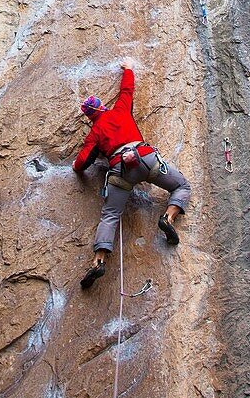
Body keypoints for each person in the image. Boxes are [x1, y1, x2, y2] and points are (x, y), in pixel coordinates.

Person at [73, 60, 191, 289]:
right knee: (182, 186)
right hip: (145, 158)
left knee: (110, 215)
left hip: (120, 171)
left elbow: (80, 165)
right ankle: (167, 218)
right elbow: (127, 89)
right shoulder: (120, 110)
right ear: (102, 107)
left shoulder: (95, 133)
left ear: (89, 117)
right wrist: (127, 68)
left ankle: (98, 261)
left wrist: (95, 149)